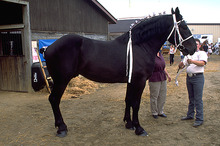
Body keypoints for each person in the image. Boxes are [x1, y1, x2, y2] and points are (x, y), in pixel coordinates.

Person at [178, 39, 208, 127]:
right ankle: (190, 115)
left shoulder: (201, 53)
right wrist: (180, 64)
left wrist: (192, 62)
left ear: (199, 45)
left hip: (197, 77)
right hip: (189, 78)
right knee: (191, 98)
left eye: (197, 44)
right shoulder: (188, 55)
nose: (196, 45)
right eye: (194, 44)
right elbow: (182, 65)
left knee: (198, 99)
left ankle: (199, 118)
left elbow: (202, 63)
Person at [148, 52, 171, 119]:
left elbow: (163, 67)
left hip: (163, 77)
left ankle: (160, 111)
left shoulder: (160, 55)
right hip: (154, 77)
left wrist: (168, 75)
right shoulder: (151, 55)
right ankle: (154, 112)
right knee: (154, 96)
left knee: (162, 95)